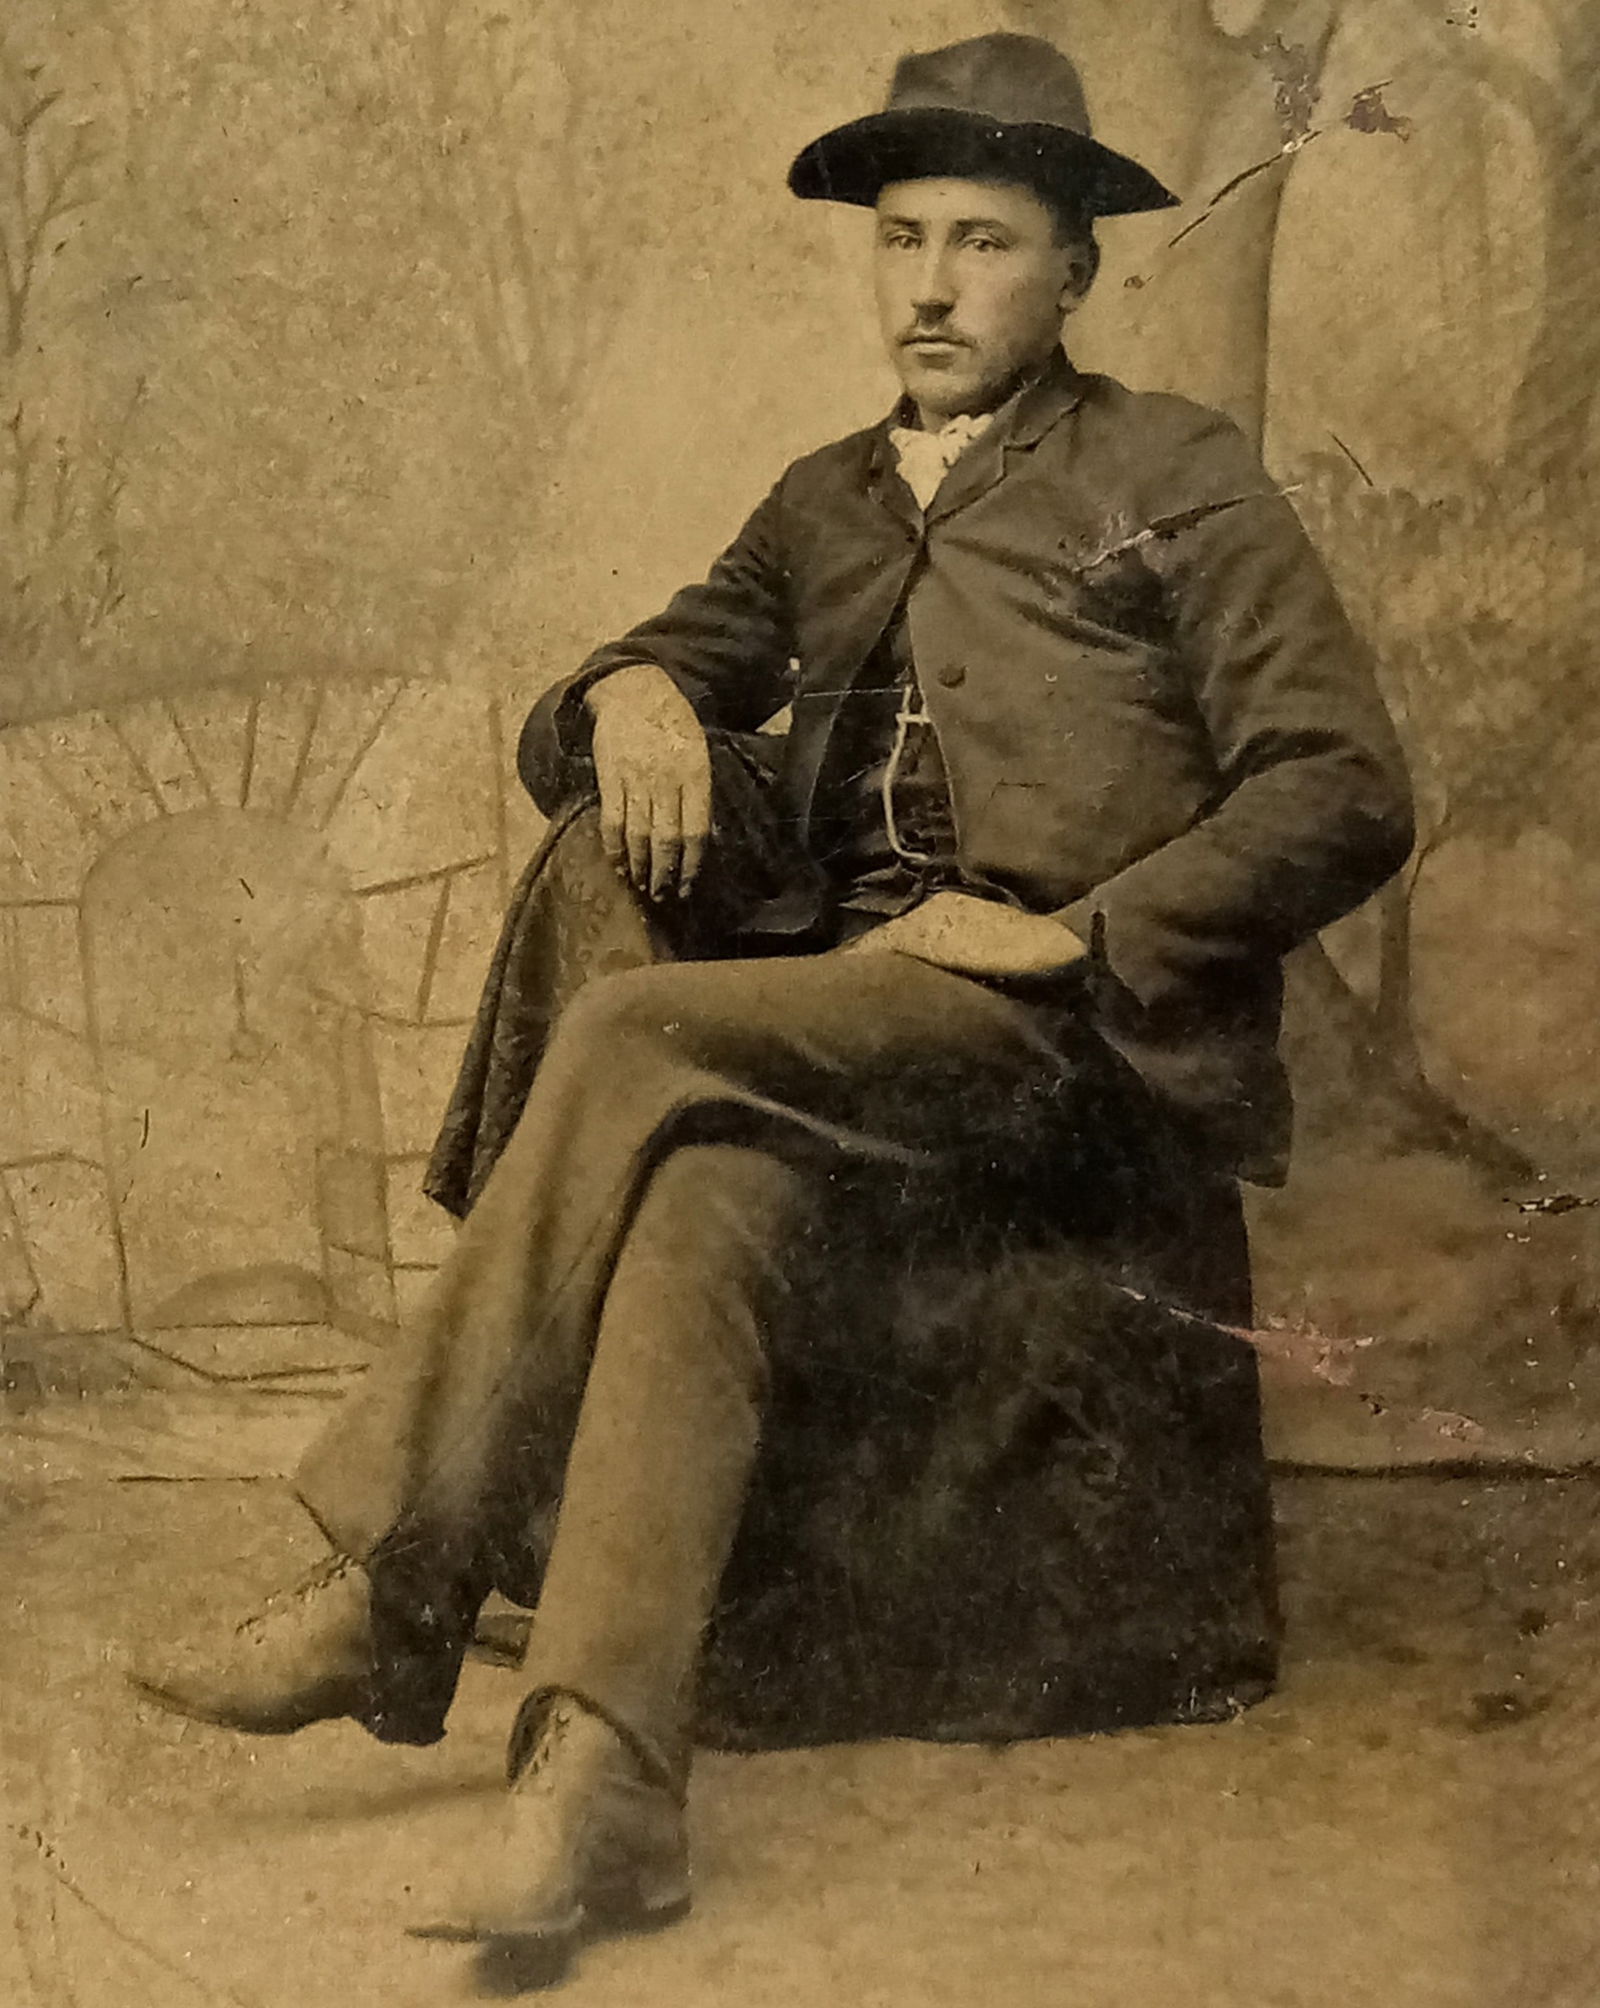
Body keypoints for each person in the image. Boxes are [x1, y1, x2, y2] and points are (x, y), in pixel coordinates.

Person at [130, 29, 1413, 1980]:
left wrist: (1078, 931)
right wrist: (631, 691)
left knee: (643, 1040)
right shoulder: (820, 496)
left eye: (979, 243)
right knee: (705, 1194)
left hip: (1063, 1040)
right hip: (849, 1024)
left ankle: (388, 1580)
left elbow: (1340, 779)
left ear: (1071, 268)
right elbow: (628, 675)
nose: (924, 285)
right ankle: (600, 1783)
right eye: (898, 238)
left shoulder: (1168, 473)